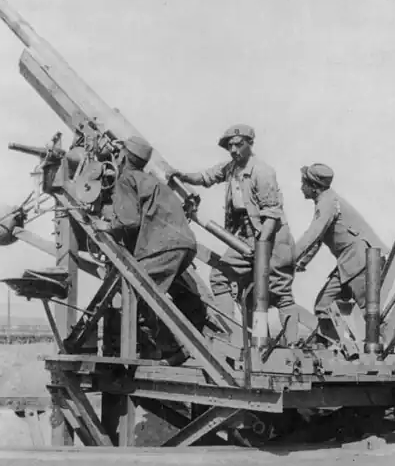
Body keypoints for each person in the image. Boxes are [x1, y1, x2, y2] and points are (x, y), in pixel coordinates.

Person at [168, 123, 316, 345]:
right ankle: (232, 339)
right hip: (248, 237)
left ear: (250, 144)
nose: (233, 150)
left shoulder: (262, 172)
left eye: (238, 145)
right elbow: (206, 177)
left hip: (273, 238)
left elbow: (272, 214)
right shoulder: (232, 168)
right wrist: (183, 176)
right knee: (222, 278)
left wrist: (262, 250)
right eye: (230, 146)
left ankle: (291, 346)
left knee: (279, 293)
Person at [95, 135, 198, 365]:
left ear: (123, 156)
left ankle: (168, 350)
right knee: (152, 294)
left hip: (164, 246)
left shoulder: (126, 179)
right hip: (185, 245)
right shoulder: (153, 181)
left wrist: (107, 226)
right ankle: (169, 349)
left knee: (135, 290)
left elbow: (129, 221)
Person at [295, 163, 389, 342]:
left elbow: (312, 235)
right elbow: (318, 238)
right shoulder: (326, 201)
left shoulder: (327, 203)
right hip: (350, 263)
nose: (301, 188)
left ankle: (392, 347)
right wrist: (300, 263)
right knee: (323, 306)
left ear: (314, 187)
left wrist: (289, 258)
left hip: (361, 262)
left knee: (370, 313)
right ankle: (332, 347)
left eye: (303, 183)